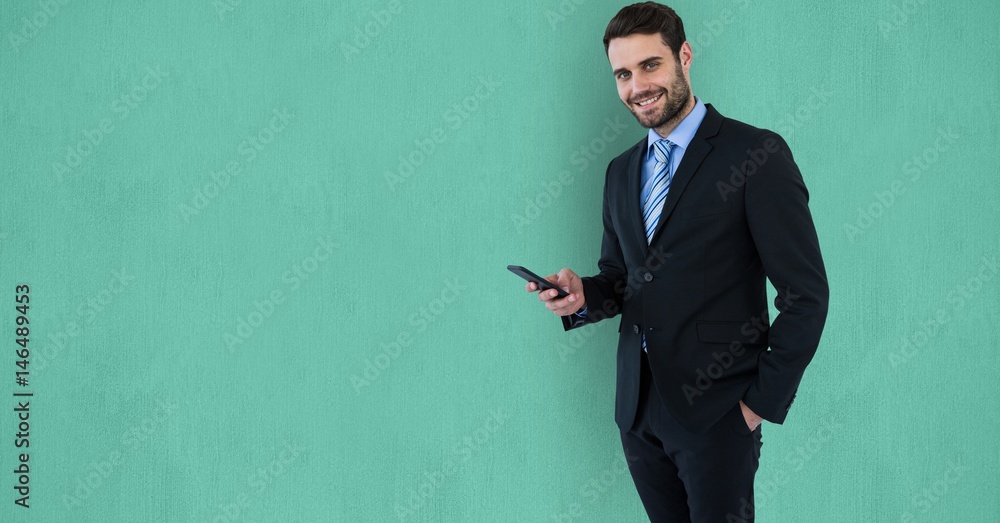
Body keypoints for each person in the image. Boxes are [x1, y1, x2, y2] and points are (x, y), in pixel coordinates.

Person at [525, 3, 829, 521]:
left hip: (719, 410)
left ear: (684, 56)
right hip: (638, 410)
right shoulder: (621, 172)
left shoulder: (755, 154)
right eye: (623, 73)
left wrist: (756, 407)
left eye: (650, 65)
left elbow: (806, 296)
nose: (637, 85)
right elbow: (623, 280)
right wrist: (582, 296)